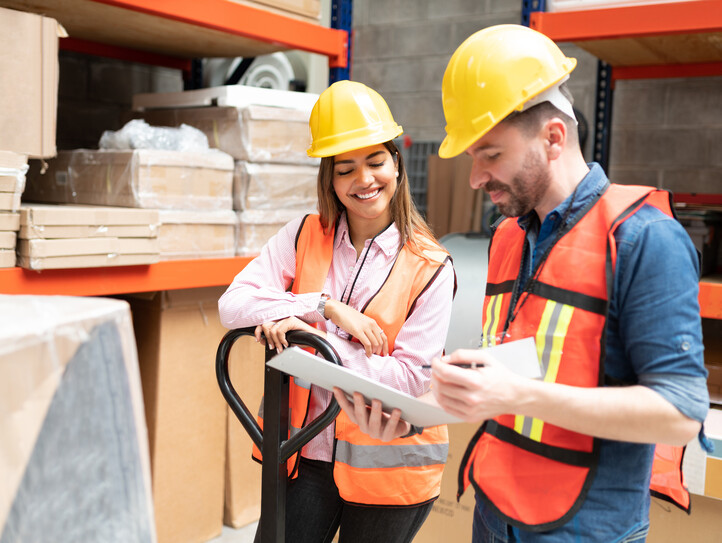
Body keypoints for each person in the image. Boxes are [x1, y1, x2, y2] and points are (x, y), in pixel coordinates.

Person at [335, 24, 711, 542]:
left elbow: (681, 414)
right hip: (493, 517)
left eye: (489, 154)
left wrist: (517, 394)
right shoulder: (508, 237)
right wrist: (408, 415)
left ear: (553, 137)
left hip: (584, 530)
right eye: (472, 158)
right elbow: (510, 381)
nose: (475, 178)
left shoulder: (644, 239)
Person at [218, 79, 456, 543]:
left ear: (397, 164)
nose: (363, 180)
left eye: (375, 161)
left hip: (387, 464)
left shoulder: (431, 266)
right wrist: (324, 307)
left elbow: (410, 378)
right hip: (306, 452)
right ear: (329, 178)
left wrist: (311, 342)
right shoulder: (304, 233)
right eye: (345, 169)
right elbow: (234, 304)